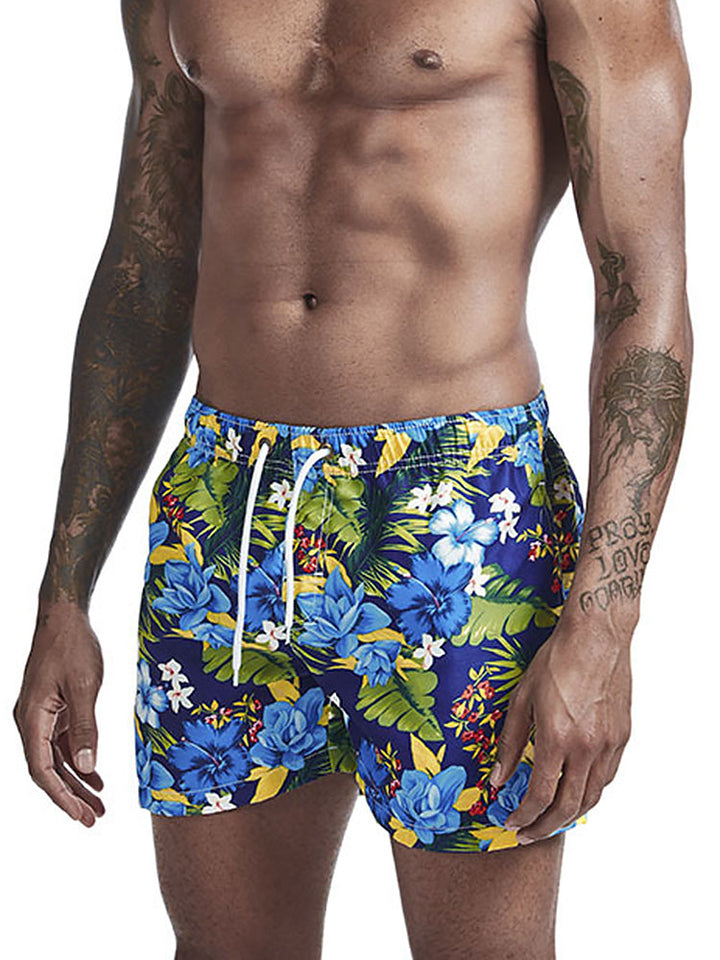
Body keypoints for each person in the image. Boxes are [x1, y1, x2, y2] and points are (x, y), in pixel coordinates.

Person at [13, 0, 692, 957]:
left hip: (460, 514)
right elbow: (147, 267)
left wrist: (605, 625)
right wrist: (63, 595)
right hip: (226, 506)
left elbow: (641, 289)